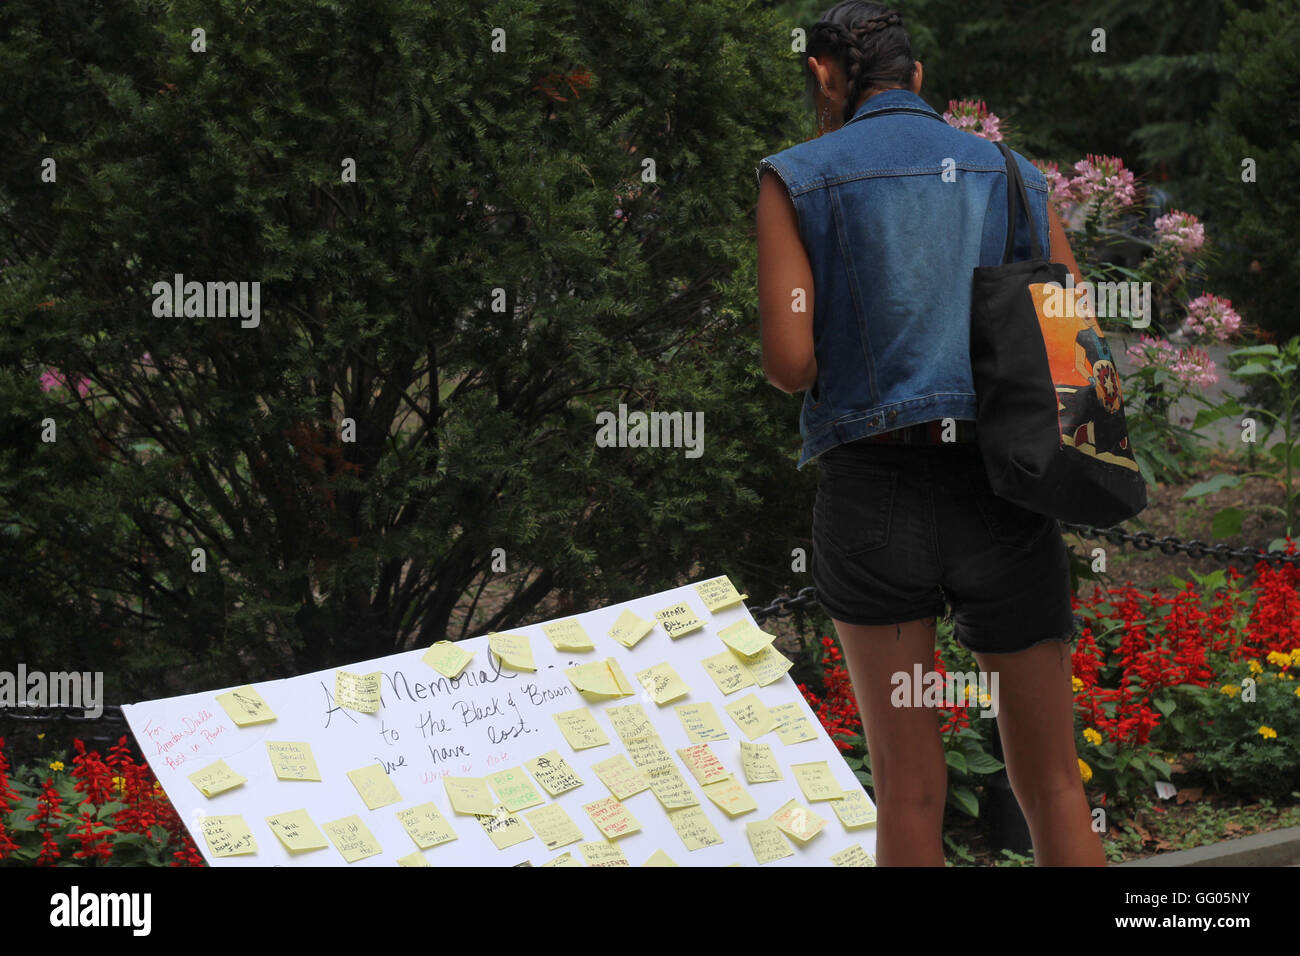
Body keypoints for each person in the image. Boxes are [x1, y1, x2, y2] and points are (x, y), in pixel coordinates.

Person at [754, 2, 1105, 866]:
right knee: (1054, 785)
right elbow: (1071, 337)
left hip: (874, 496)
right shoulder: (1015, 176)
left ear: (826, 76)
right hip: (1005, 489)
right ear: (918, 80)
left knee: (909, 792)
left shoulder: (795, 176)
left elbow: (790, 365)